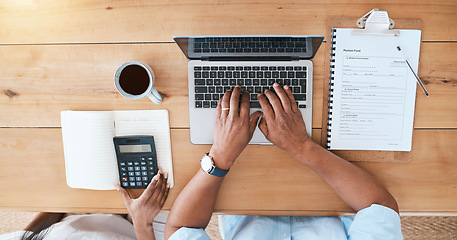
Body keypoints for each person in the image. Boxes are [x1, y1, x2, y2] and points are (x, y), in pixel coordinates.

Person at [165, 83, 403, 239]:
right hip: (328, 184)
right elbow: (381, 207)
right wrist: (301, 146)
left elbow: (178, 230)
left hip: (240, 178)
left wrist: (220, 157)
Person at [0, 171, 170, 240]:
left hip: (86, 212)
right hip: (143, 231)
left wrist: (61, 196)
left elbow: (30, 232)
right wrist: (143, 223)